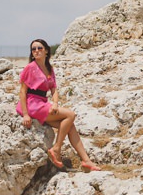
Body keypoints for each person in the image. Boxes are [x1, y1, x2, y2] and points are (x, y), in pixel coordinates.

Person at [16, 38, 101, 171]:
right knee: (70, 115)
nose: (36, 51)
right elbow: (22, 92)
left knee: (70, 126)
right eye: (34, 49)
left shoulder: (49, 69)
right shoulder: (30, 68)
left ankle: (86, 161)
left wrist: (55, 103)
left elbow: (54, 89)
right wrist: (26, 115)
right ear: (31, 53)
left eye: (39, 48)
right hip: (32, 104)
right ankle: (56, 149)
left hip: (42, 103)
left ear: (46, 51)